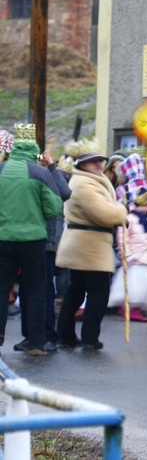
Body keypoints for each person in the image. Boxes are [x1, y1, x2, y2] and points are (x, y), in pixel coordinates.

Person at [56, 138, 128, 350]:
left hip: (87, 245)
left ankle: (67, 336)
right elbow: (104, 214)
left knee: (76, 292)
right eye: (93, 161)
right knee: (97, 294)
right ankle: (88, 338)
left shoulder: (87, 180)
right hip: (88, 246)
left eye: (99, 160)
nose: (99, 164)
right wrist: (122, 210)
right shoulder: (84, 184)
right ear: (80, 164)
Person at [0, 123, 63, 356]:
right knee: (36, 290)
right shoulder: (41, 173)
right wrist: (36, 214)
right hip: (33, 240)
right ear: (33, 149)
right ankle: (36, 342)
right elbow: (55, 206)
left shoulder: (1, 169)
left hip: (3, 238)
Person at [17, 149, 71, 353]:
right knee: (27, 290)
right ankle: (30, 336)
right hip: (28, 240)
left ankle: (48, 335)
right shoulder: (28, 175)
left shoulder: (49, 174)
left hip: (46, 241)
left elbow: (65, 193)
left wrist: (51, 166)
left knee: (44, 290)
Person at [108, 187, 147, 322]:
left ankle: (137, 307)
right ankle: (128, 308)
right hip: (134, 258)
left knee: (145, 285)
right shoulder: (129, 218)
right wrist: (126, 254)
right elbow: (122, 237)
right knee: (133, 285)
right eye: (141, 205)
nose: (144, 208)